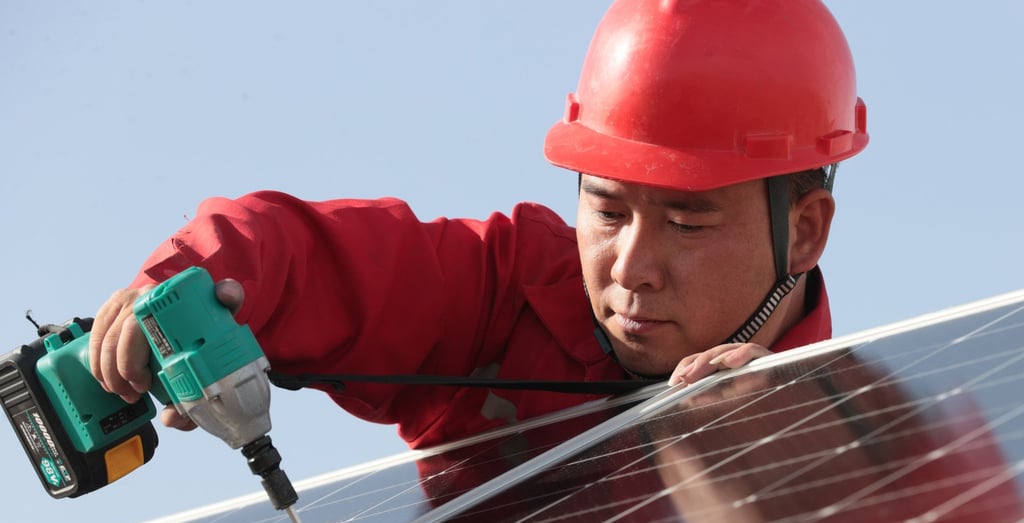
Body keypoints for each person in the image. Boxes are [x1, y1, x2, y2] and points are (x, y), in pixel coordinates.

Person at [88, 0, 868, 452]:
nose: (631, 267)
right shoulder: (507, 294)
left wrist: (776, 459)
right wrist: (184, 286)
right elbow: (309, 254)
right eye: (606, 210)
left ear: (804, 231)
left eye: (688, 223)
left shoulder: (859, 446)